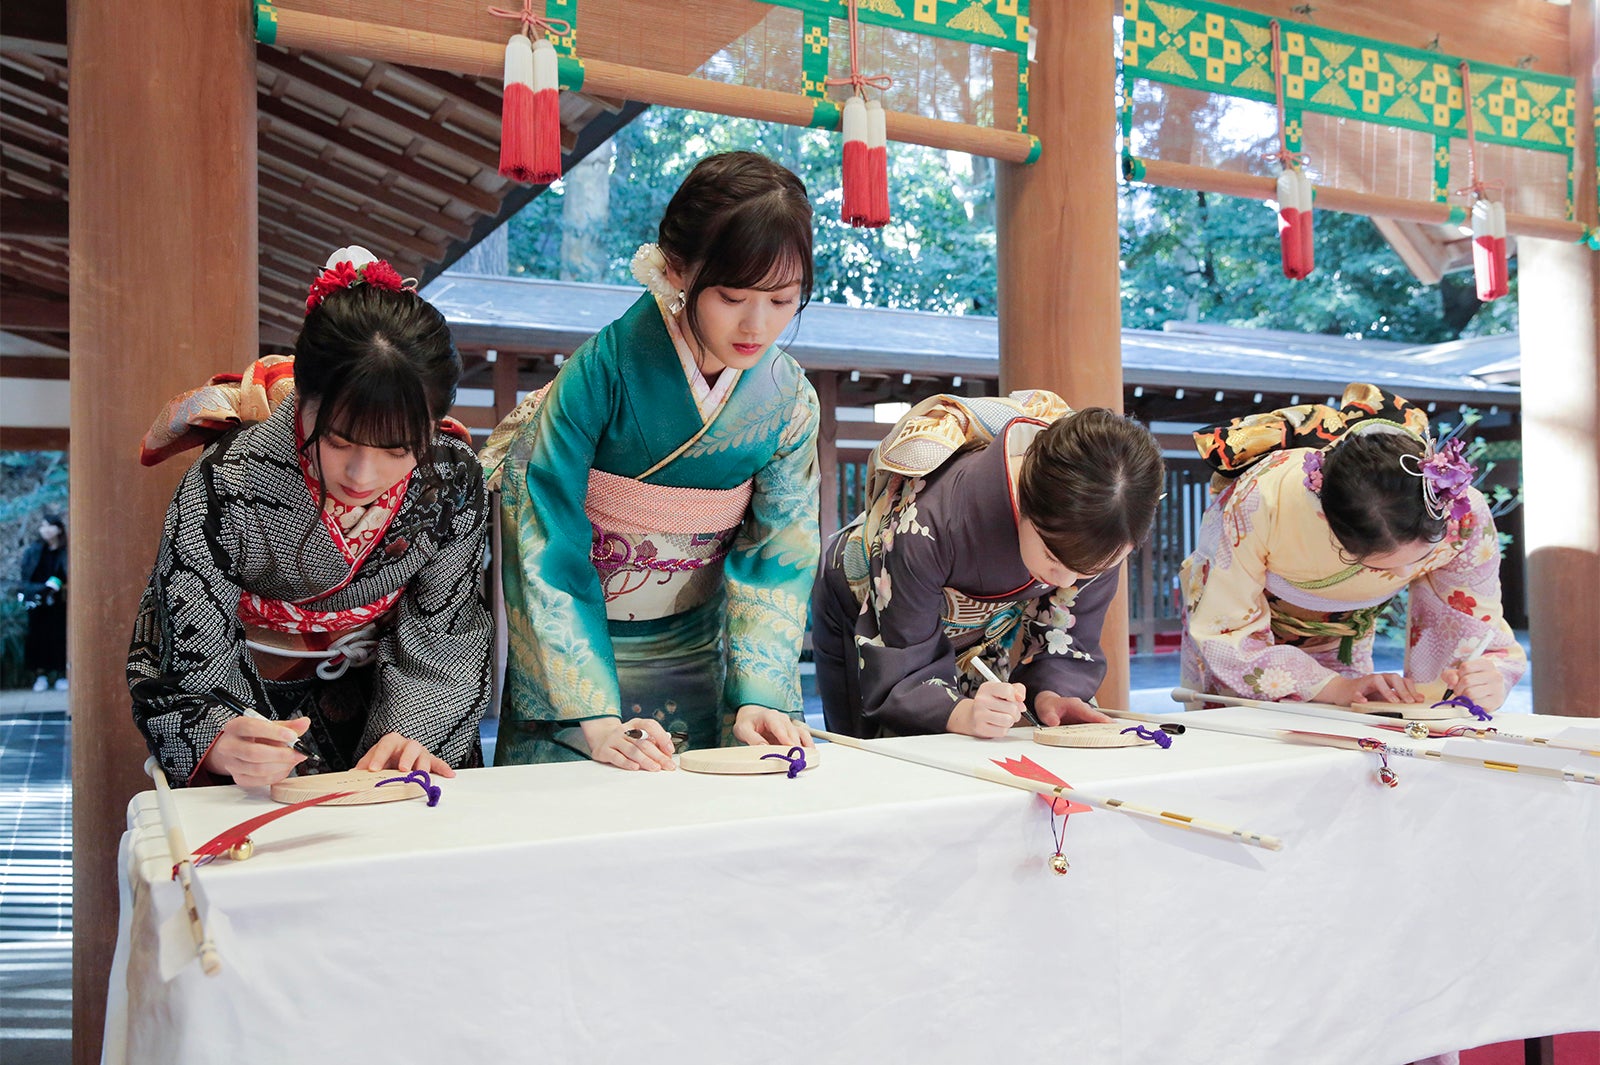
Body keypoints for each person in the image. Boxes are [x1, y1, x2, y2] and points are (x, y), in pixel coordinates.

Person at [482, 151, 819, 771]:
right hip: (583, 670)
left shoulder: (790, 400)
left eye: (782, 301)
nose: (757, 324)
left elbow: (781, 552)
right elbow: (543, 534)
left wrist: (762, 695)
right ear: (678, 270)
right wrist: (592, 717)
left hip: (703, 654)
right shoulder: (601, 372)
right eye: (733, 295)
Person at [128, 246, 493, 787]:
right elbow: (190, 636)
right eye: (342, 441)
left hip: (396, 700)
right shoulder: (232, 477)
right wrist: (221, 736)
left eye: (398, 451)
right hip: (250, 700)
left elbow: (446, 628)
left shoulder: (451, 478)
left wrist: (414, 732)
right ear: (305, 399)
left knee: (408, 829)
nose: (363, 475)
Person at [812, 392, 1165, 738]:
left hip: (979, 635)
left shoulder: (1104, 532)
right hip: (870, 606)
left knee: (992, 727)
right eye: (1054, 558)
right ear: (1024, 500)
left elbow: (1067, 635)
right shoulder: (929, 519)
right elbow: (902, 664)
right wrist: (958, 712)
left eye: (1090, 569)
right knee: (878, 754)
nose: (1068, 579)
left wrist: (1052, 695)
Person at [1179, 383, 1526, 711]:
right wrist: (1333, 688)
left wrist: (1481, 677)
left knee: (1359, 737)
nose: (1405, 574)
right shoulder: (1262, 500)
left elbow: (1470, 626)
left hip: (1345, 645)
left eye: (1419, 558)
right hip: (1245, 651)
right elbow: (1223, 632)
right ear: (1329, 523)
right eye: (1381, 566)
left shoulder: (1461, 512)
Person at [18, 513, 67, 692]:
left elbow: (66, 573)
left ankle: (61, 674)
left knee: (59, 636)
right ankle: (41, 675)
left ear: (59, 529)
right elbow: (26, 575)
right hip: (37, 600)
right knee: (38, 637)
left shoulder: (65, 551)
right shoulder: (34, 550)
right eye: (42, 526)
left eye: (49, 526)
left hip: (59, 601)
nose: (45, 530)